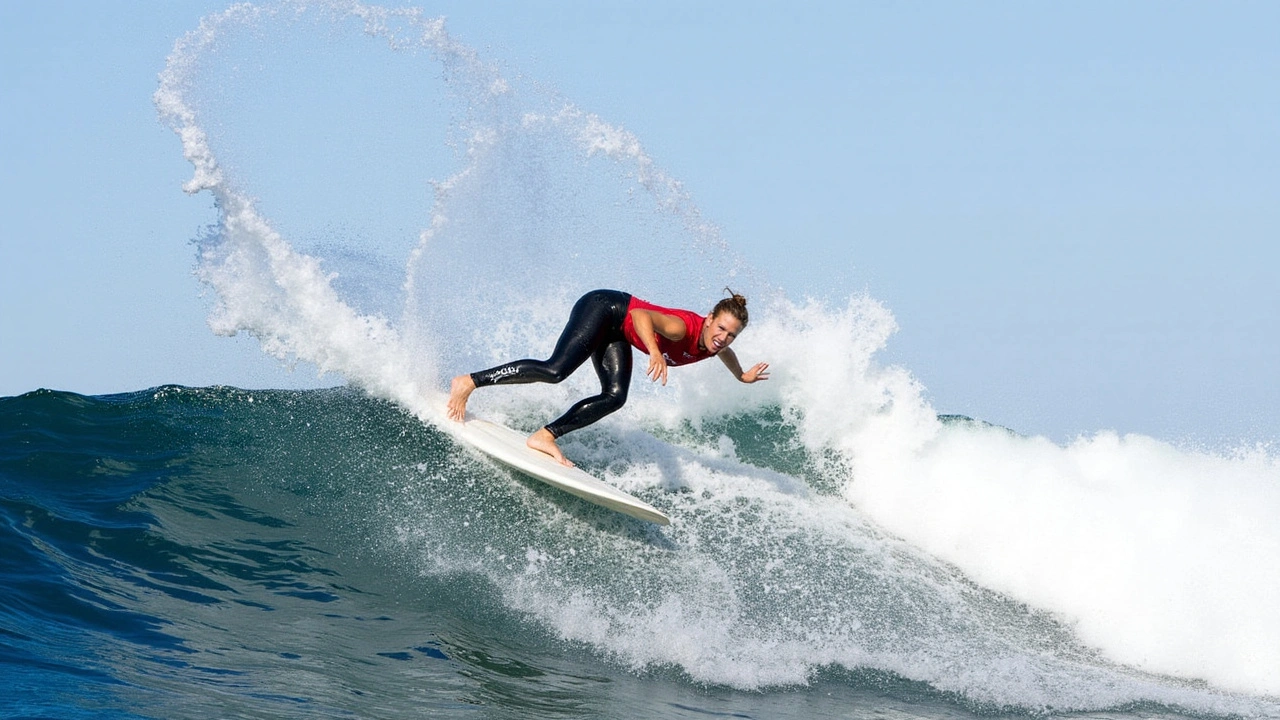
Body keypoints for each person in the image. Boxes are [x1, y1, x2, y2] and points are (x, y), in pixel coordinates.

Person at [446, 288, 770, 466]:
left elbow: (723, 352)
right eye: (721, 328)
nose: (724, 338)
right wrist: (656, 353)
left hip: (618, 333)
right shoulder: (683, 327)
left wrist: (741, 375)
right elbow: (640, 315)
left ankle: (545, 436)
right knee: (555, 370)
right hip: (604, 308)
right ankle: (469, 381)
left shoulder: (715, 345)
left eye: (732, 334)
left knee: (615, 396)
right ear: (710, 318)